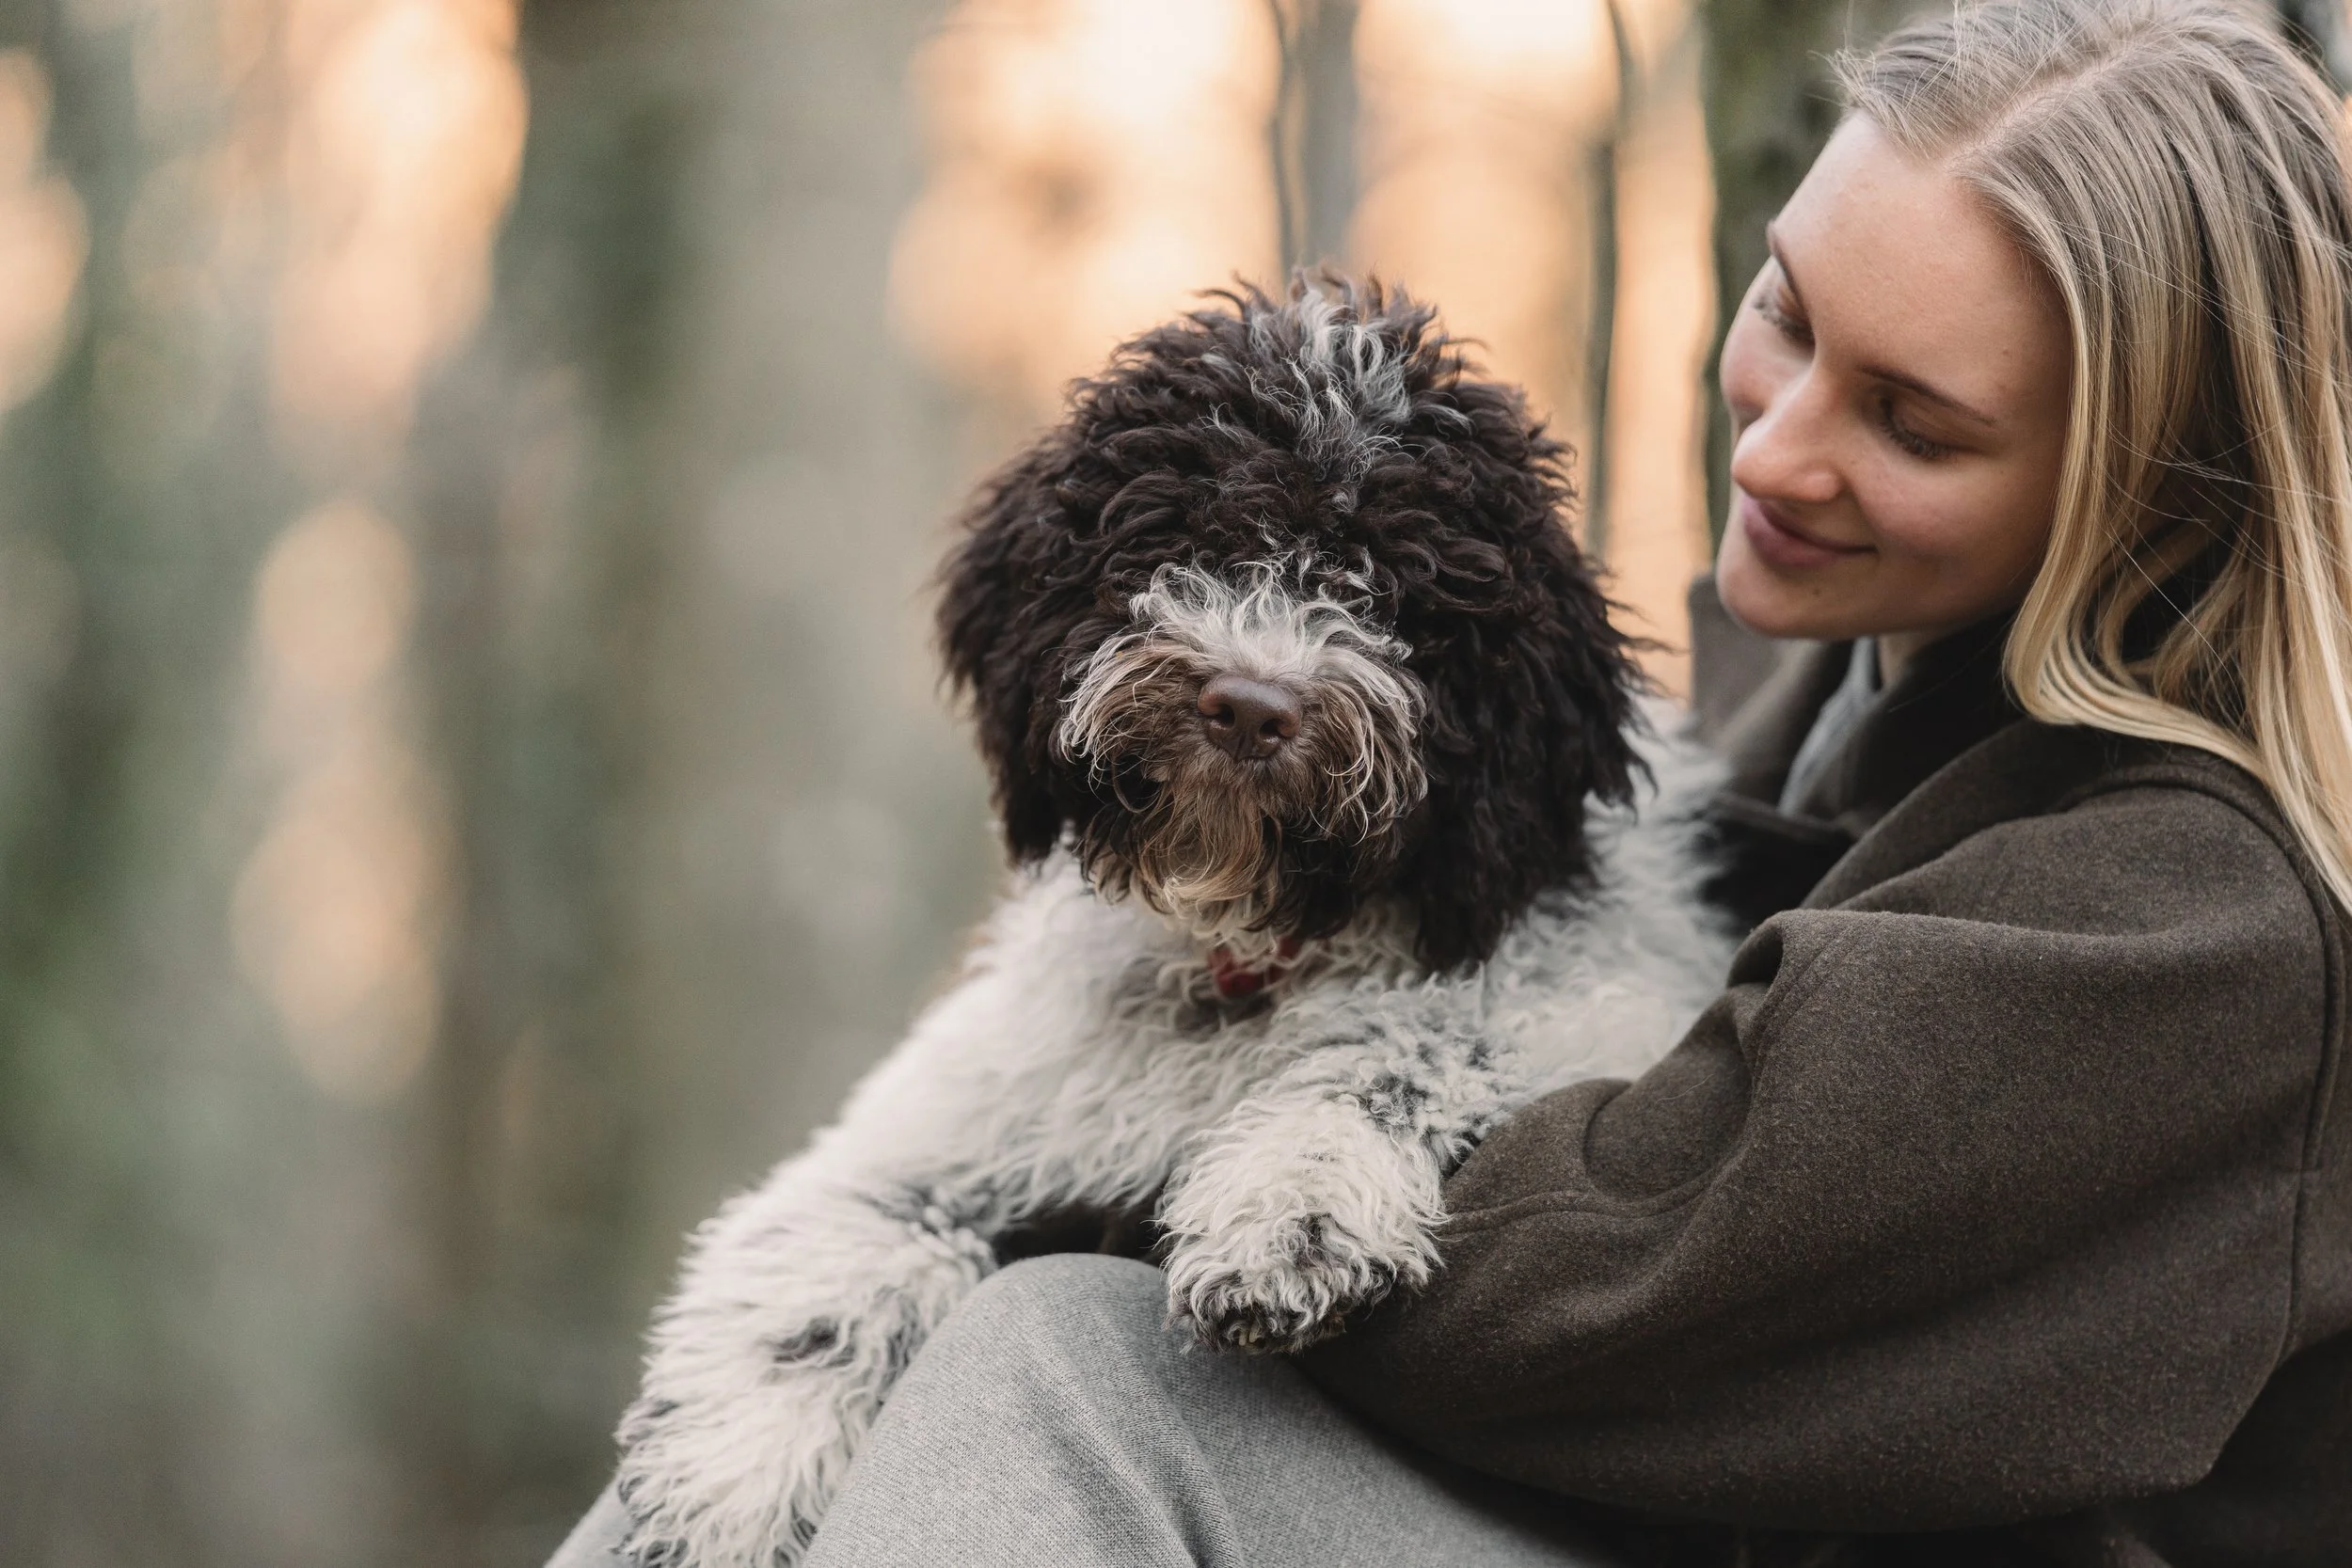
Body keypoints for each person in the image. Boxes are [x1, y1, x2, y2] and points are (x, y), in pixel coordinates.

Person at [551, 0, 2352, 1562]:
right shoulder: (1813, 687)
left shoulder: (2198, 913)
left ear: (2149, 492)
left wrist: (1092, 1127)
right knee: (762, 1403)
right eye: (1790, 314)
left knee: (1069, 1369)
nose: (1781, 446)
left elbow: (1633, 1288)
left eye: (1916, 422)